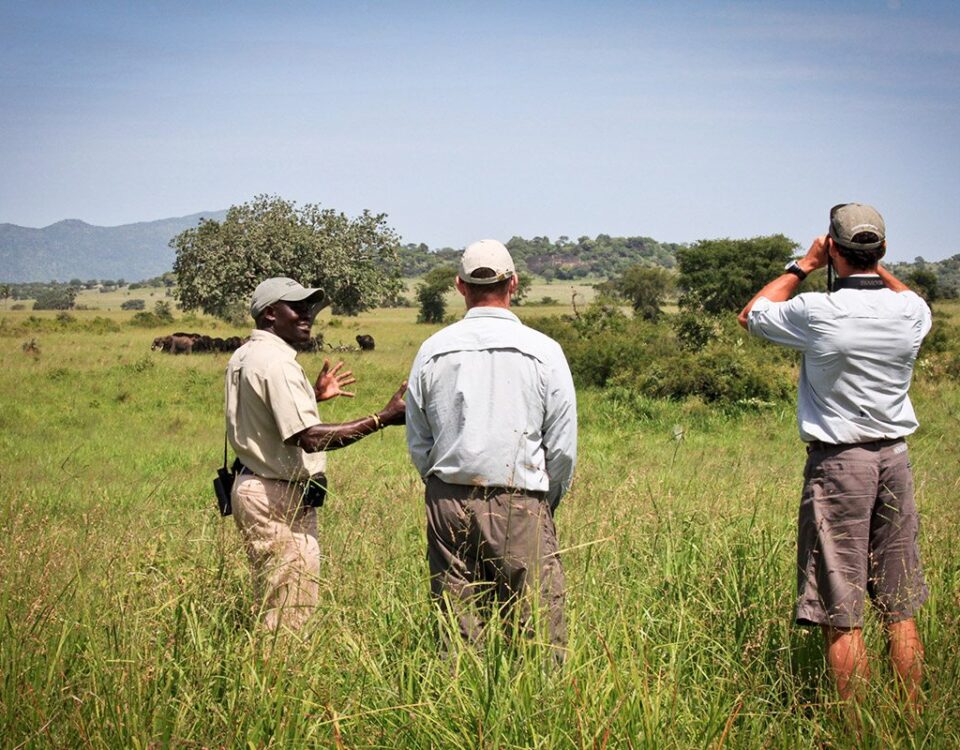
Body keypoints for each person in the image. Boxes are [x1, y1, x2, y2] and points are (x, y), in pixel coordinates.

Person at [738, 204, 931, 712]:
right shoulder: (911, 313)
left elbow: (752, 314)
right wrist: (873, 264)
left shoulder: (817, 311)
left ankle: (858, 728)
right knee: (900, 602)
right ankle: (910, 717)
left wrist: (804, 263)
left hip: (840, 463)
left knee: (840, 605)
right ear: (882, 251)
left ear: (834, 251)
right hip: (896, 459)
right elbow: (906, 293)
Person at [405, 239, 577, 658]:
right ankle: (539, 712)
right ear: (513, 283)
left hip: (446, 500)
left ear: (460, 286)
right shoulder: (544, 351)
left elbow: (419, 441)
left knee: (458, 625)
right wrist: (544, 502)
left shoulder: (432, 350)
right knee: (536, 629)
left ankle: (460, 710)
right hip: (521, 499)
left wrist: (445, 484)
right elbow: (562, 447)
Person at [225, 276, 406, 631]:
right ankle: (279, 678)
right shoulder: (278, 363)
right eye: (297, 306)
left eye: (309, 306)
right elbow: (310, 438)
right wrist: (381, 418)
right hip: (277, 495)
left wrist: (311, 396)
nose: (307, 314)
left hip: (254, 485)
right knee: (291, 610)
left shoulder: (245, 353)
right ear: (270, 314)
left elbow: (266, 418)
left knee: (276, 597)